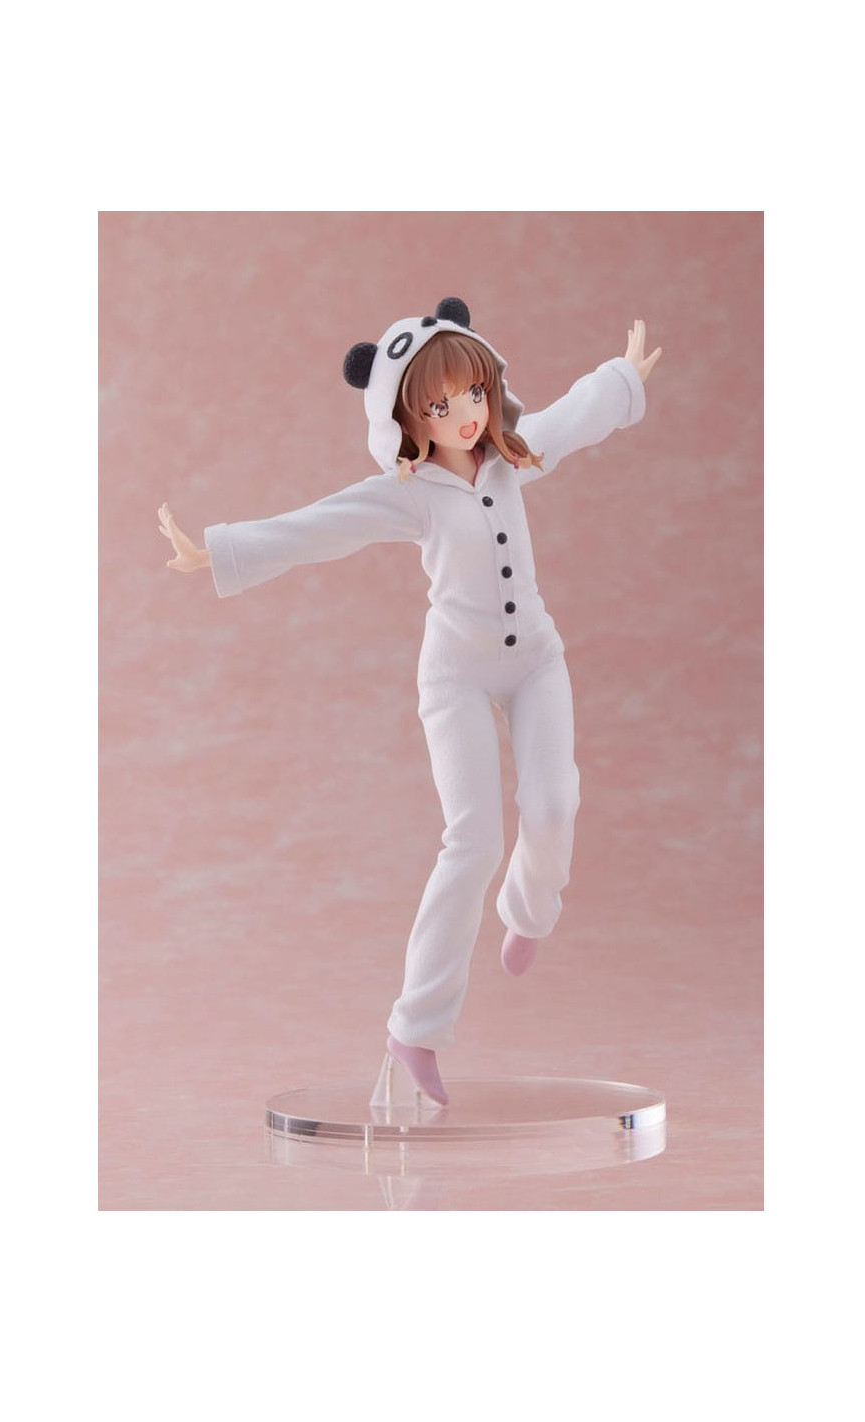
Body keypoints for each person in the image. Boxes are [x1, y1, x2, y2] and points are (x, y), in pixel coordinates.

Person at [159, 297, 660, 1104]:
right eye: (438, 405)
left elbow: (572, 419)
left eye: (473, 393)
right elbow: (322, 525)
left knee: (555, 802)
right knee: (472, 840)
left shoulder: (514, 454)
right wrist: (221, 551)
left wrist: (621, 379)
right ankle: (415, 1028)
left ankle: (529, 910)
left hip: (535, 659)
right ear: (406, 420)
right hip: (455, 673)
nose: (464, 415)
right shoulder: (413, 492)